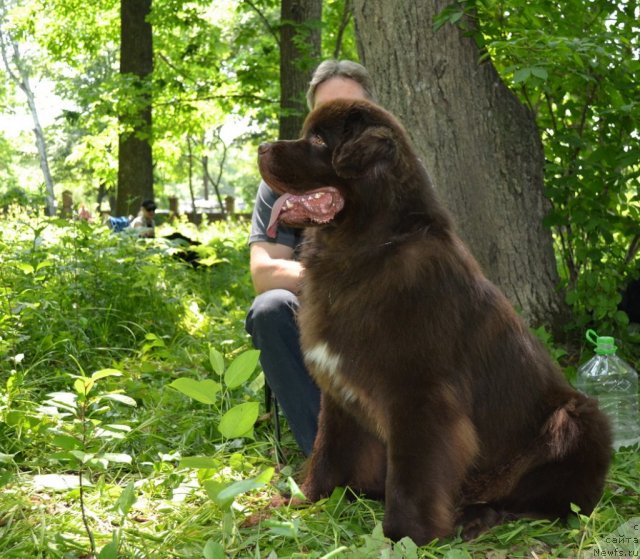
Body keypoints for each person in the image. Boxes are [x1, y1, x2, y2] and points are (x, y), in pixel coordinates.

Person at [245, 60, 377, 456]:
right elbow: (265, 272)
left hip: (388, 319)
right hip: (317, 313)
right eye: (326, 112)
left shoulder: (394, 171)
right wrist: (344, 280)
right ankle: (329, 459)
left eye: (351, 113)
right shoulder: (283, 180)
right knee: (269, 308)